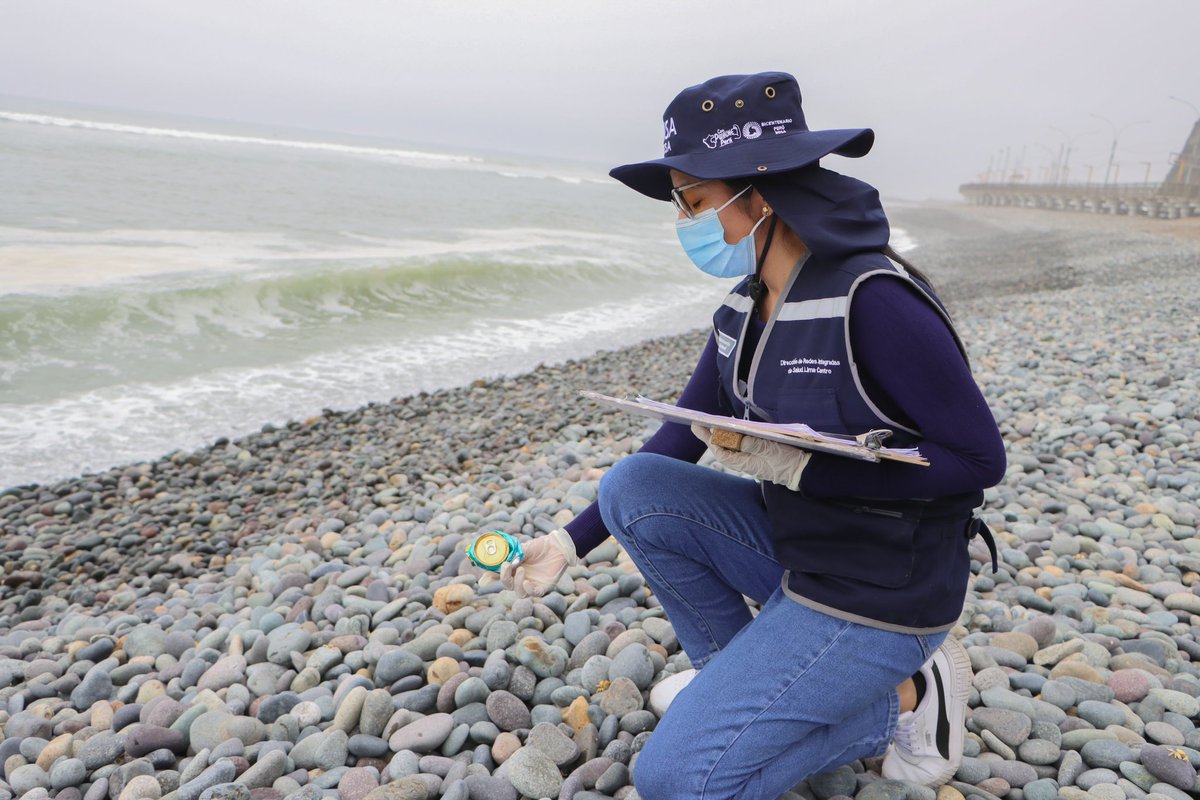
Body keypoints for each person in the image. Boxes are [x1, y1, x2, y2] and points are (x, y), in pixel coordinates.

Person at [490, 72, 1006, 799]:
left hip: (884, 592)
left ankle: (898, 703)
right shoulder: (746, 306)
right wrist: (568, 543)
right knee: (635, 487)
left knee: (673, 779)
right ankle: (755, 693)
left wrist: (803, 470)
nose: (684, 223)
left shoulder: (875, 301)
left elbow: (980, 459)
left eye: (695, 203)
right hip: (802, 554)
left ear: (757, 195)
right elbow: (677, 438)